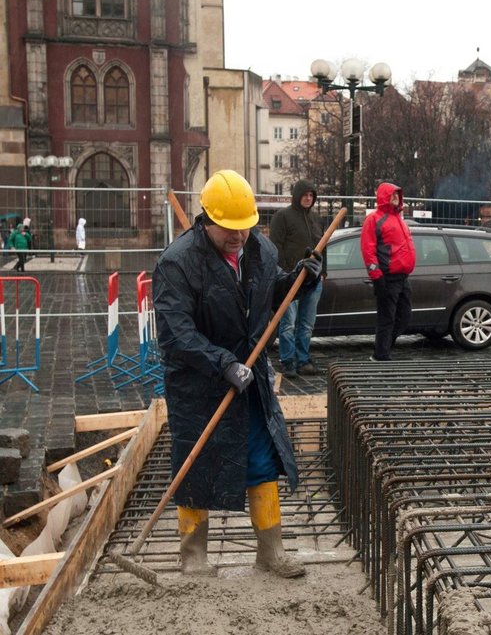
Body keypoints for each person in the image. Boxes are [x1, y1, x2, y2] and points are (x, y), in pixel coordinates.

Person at [153, 169, 323, 577]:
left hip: (251, 377)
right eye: (229, 228)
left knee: (262, 460)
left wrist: (299, 282)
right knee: (196, 467)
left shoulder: (260, 249)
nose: (238, 236)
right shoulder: (177, 263)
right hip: (199, 383)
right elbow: (177, 333)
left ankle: (271, 552)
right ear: (207, 219)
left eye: (245, 227)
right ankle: (193, 558)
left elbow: (272, 292)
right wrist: (222, 363)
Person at [269, 179, 324, 377]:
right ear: (297, 195)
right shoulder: (282, 216)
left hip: (313, 280)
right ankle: (288, 361)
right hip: (290, 279)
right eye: (305, 195)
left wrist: (323, 272)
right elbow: (275, 246)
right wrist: (285, 274)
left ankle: (303, 359)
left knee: (306, 324)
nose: (308, 198)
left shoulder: (316, 219)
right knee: (288, 324)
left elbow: (322, 246)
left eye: (312, 195)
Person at [360, 182, 416, 361]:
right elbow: (368, 250)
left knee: (404, 316)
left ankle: (383, 348)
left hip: (402, 276)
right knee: (387, 318)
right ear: (384, 196)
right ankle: (381, 354)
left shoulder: (399, 219)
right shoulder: (374, 219)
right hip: (387, 276)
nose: (396, 198)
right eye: (392, 195)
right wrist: (377, 277)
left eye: (397, 195)